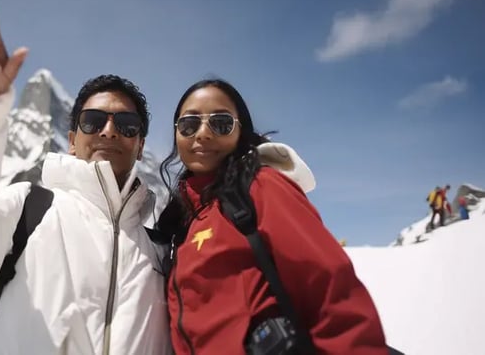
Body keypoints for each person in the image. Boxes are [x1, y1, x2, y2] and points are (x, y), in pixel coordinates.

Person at [0, 0, 171, 354]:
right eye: (94, 121)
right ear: (72, 138)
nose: (110, 130)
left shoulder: (159, 252)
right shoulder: (28, 212)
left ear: (140, 146)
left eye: (127, 125)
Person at [156, 79, 387, 354]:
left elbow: (333, 294)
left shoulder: (261, 187)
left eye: (221, 123)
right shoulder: (182, 222)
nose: (203, 133)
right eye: (189, 124)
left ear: (240, 132)